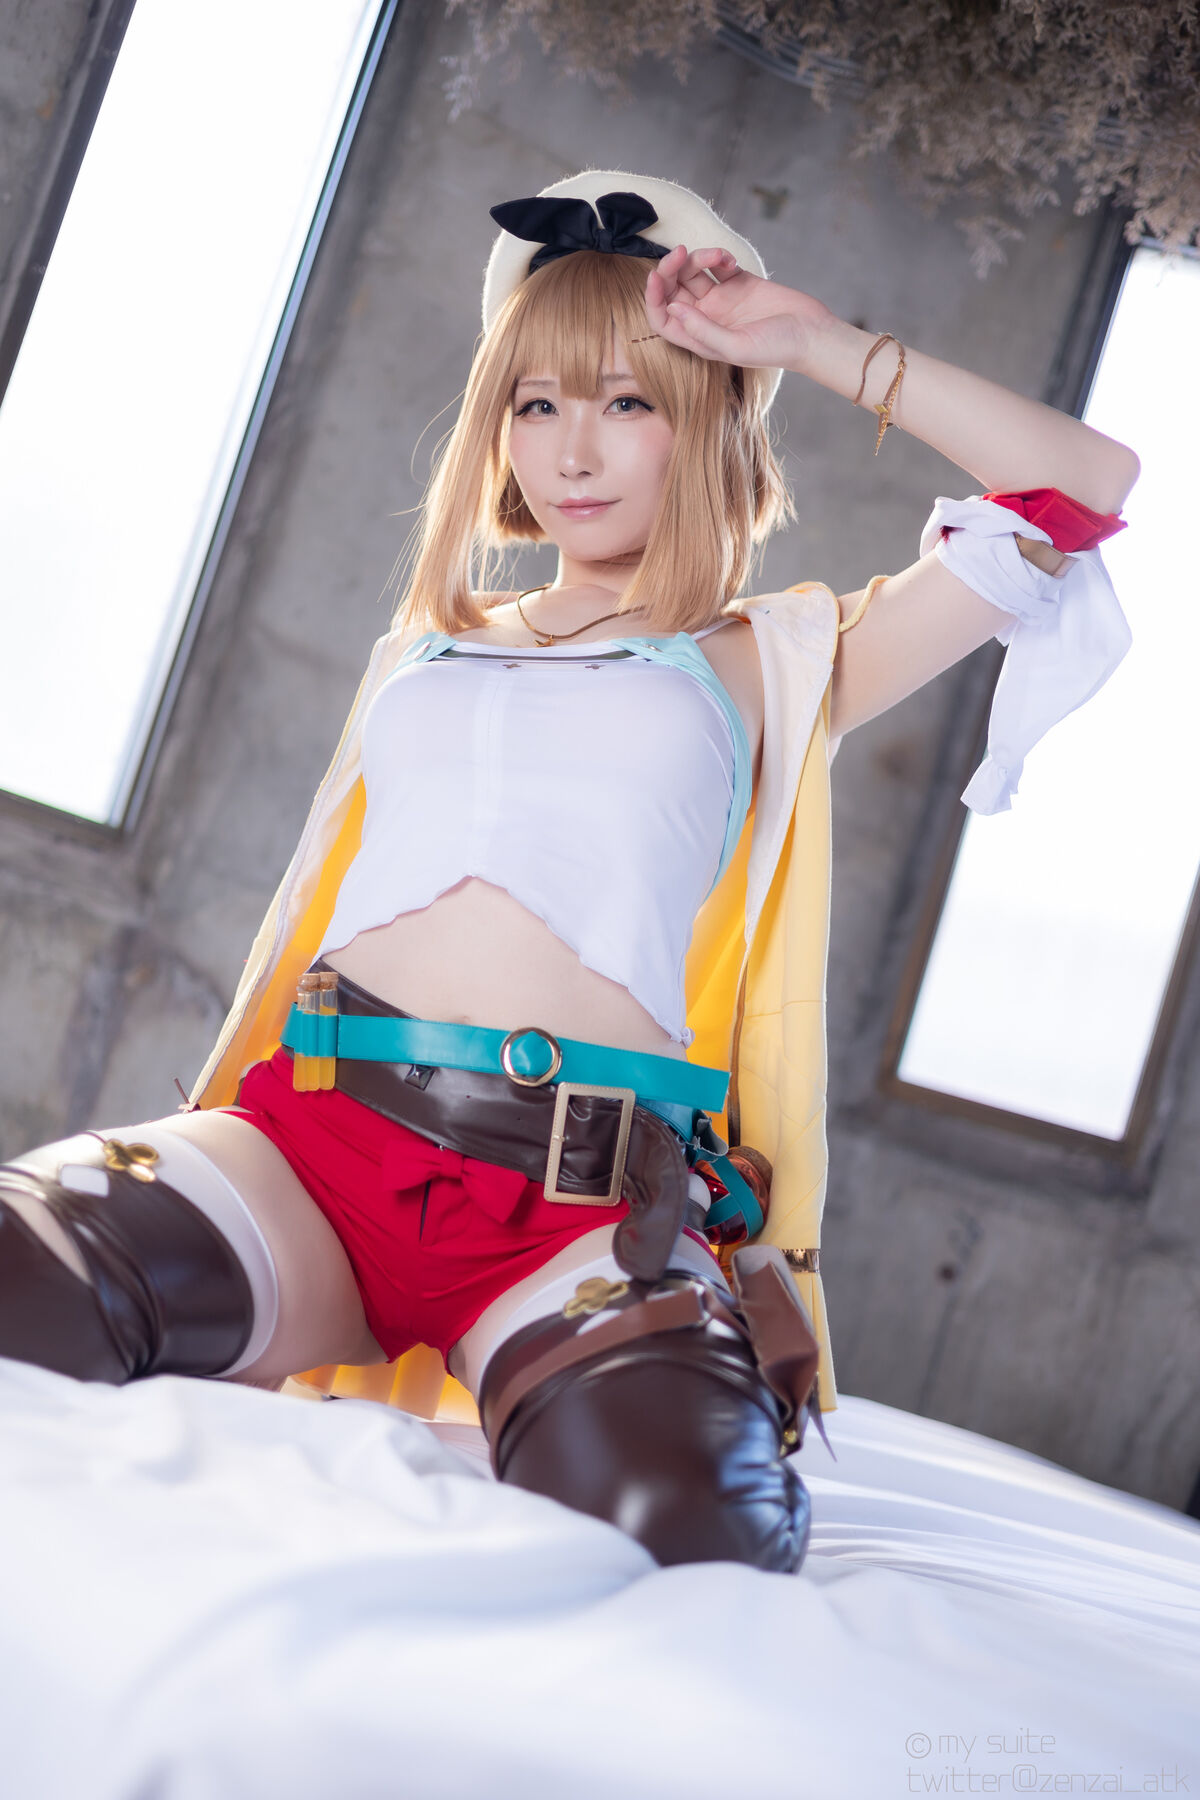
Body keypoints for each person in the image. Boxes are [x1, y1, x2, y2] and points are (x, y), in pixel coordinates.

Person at [0, 170, 1138, 1573]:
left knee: (691, 1529)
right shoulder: (427, 646)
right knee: (18, 1277)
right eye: (536, 404)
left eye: (627, 401)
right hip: (319, 1145)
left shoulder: (775, 660)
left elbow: (1081, 490)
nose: (572, 451)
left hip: (587, 1208)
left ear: (703, 419)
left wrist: (808, 342)